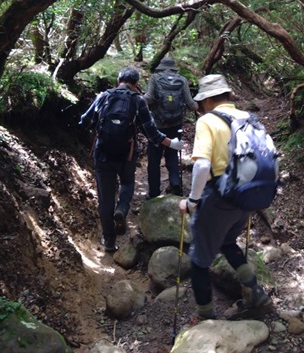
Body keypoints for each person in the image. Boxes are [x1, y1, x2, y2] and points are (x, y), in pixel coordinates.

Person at [178, 74, 271, 321]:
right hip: (246, 198)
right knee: (228, 242)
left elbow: (201, 166)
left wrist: (192, 201)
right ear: (227, 95)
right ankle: (255, 292)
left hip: (218, 198)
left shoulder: (208, 120)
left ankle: (206, 318)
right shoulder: (249, 118)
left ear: (207, 100)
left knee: (199, 260)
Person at [80, 67, 184, 253]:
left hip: (103, 155)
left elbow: (85, 121)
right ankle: (122, 209)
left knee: (105, 198)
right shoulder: (137, 100)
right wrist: (172, 144)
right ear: (136, 84)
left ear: (118, 80)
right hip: (126, 154)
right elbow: (152, 133)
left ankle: (109, 241)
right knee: (127, 183)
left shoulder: (103, 96)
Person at [144, 56, 198, 197]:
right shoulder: (182, 80)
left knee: (154, 159)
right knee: (172, 153)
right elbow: (191, 104)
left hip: (157, 125)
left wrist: (139, 101)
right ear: (174, 68)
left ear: (161, 67)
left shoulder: (155, 78)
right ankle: (175, 183)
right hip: (176, 124)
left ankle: (154, 192)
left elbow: (148, 98)